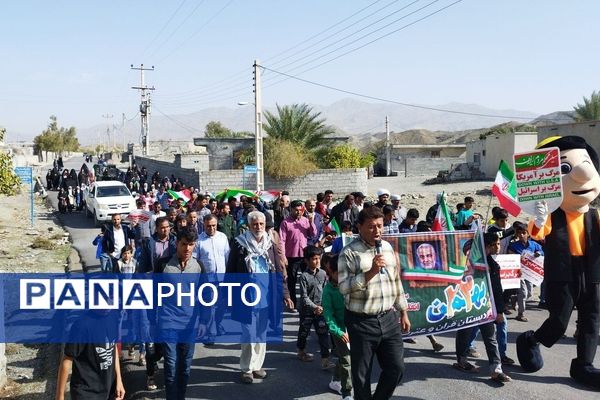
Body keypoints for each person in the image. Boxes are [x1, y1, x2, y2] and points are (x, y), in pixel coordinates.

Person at [517, 136, 600, 389]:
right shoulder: (554, 214)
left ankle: (583, 365)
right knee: (559, 321)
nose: (582, 173)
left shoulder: (595, 214)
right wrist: (540, 218)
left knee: (592, 318)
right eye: (565, 169)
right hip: (562, 272)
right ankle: (532, 339)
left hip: (592, 271)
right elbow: (536, 233)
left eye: (587, 164)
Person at [338, 206, 411, 400]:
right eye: (371, 227)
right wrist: (369, 273)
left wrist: (403, 311)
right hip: (361, 322)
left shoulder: (386, 247)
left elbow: (396, 281)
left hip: (388, 318)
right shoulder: (349, 253)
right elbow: (343, 288)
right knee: (362, 375)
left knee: (396, 368)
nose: (377, 231)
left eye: (380, 226)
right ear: (359, 226)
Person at [227, 211, 293, 384]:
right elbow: (231, 270)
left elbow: (278, 269)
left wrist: (285, 293)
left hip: (266, 295)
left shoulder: (270, 243)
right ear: (249, 226)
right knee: (249, 334)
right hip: (246, 295)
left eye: (261, 224)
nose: (258, 227)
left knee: (261, 333)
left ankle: (257, 366)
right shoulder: (239, 244)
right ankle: (246, 369)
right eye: (255, 224)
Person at [154, 226, 207, 399]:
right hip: (167, 323)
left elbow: (205, 296)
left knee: (184, 367)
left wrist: (204, 322)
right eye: (184, 244)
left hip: (189, 325)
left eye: (191, 245)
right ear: (177, 243)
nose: (187, 249)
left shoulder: (198, 266)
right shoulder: (163, 265)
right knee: (170, 366)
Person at [454, 232, 511, 383]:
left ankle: (496, 369)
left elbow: (497, 290)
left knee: (490, 337)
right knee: (464, 334)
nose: (498, 247)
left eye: (499, 244)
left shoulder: (493, 265)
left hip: (485, 307)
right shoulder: (468, 262)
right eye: (496, 244)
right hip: (468, 306)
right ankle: (461, 360)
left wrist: (499, 311)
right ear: (488, 246)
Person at [56, 310, 125, 400]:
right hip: (86, 392)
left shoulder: (113, 317)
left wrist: (119, 381)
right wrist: (60, 396)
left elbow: (113, 347)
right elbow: (67, 360)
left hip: (108, 389)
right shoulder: (81, 325)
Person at [296, 245, 334, 369]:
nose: (317, 261)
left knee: (323, 334)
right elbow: (304, 297)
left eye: (318, 258)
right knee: (303, 332)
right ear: (307, 260)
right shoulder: (303, 277)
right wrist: (314, 307)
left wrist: (324, 306)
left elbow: (326, 290)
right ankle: (301, 351)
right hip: (307, 310)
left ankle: (325, 360)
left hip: (321, 310)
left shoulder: (323, 274)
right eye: (313, 259)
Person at [194, 214, 230, 343]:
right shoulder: (199, 240)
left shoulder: (223, 237)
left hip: (222, 277)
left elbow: (227, 256)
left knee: (221, 305)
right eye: (209, 226)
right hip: (207, 279)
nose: (211, 228)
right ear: (204, 225)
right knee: (209, 306)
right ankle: (210, 333)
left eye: (214, 225)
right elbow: (195, 260)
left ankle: (217, 324)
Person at [322, 253, 353, 400]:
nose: (342, 275)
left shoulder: (349, 283)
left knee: (344, 359)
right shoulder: (328, 291)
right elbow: (328, 315)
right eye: (338, 273)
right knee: (347, 360)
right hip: (339, 330)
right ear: (331, 272)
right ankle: (347, 393)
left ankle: (335, 381)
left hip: (353, 326)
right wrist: (338, 331)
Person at [279, 200, 318, 310]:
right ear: (291, 210)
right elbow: (281, 240)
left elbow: (313, 234)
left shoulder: (305, 220)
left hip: (305, 255)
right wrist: (283, 257)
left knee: (309, 279)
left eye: (300, 210)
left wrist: (311, 222)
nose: (298, 212)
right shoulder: (285, 223)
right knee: (292, 280)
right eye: (296, 210)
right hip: (291, 256)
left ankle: (309, 303)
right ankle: (293, 304)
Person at [508, 221, 544, 322]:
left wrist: (538, 253)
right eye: (519, 233)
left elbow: (542, 252)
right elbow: (510, 255)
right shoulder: (514, 245)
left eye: (524, 233)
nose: (521, 235)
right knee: (523, 293)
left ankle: (515, 298)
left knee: (529, 294)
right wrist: (518, 257)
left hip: (531, 273)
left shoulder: (534, 245)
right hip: (519, 272)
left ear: (528, 234)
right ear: (516, 234)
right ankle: (521, 314)